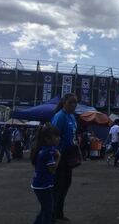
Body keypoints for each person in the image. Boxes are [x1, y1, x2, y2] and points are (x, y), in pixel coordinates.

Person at [51, 93, 78, 222]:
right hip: (59, 156)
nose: (73, 105)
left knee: (66, 185)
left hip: (69, 155)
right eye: (70, 102)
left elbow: (72, 135)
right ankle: (52, 215)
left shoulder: (72, 116)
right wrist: (56, 156)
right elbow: (52, 138)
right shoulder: (60, 116)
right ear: (64, 103)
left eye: (75, 103)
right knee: (58, 186)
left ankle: (59, 213)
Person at [30, 124, 61, 224]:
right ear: (47, 139)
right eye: (56, 137)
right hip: (44, 186)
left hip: (39, 184)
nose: (58, 139)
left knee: (45, 208)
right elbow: (52, 169)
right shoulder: (49, 151)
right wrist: (59, 157)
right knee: (48, 210)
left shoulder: (42, 149)